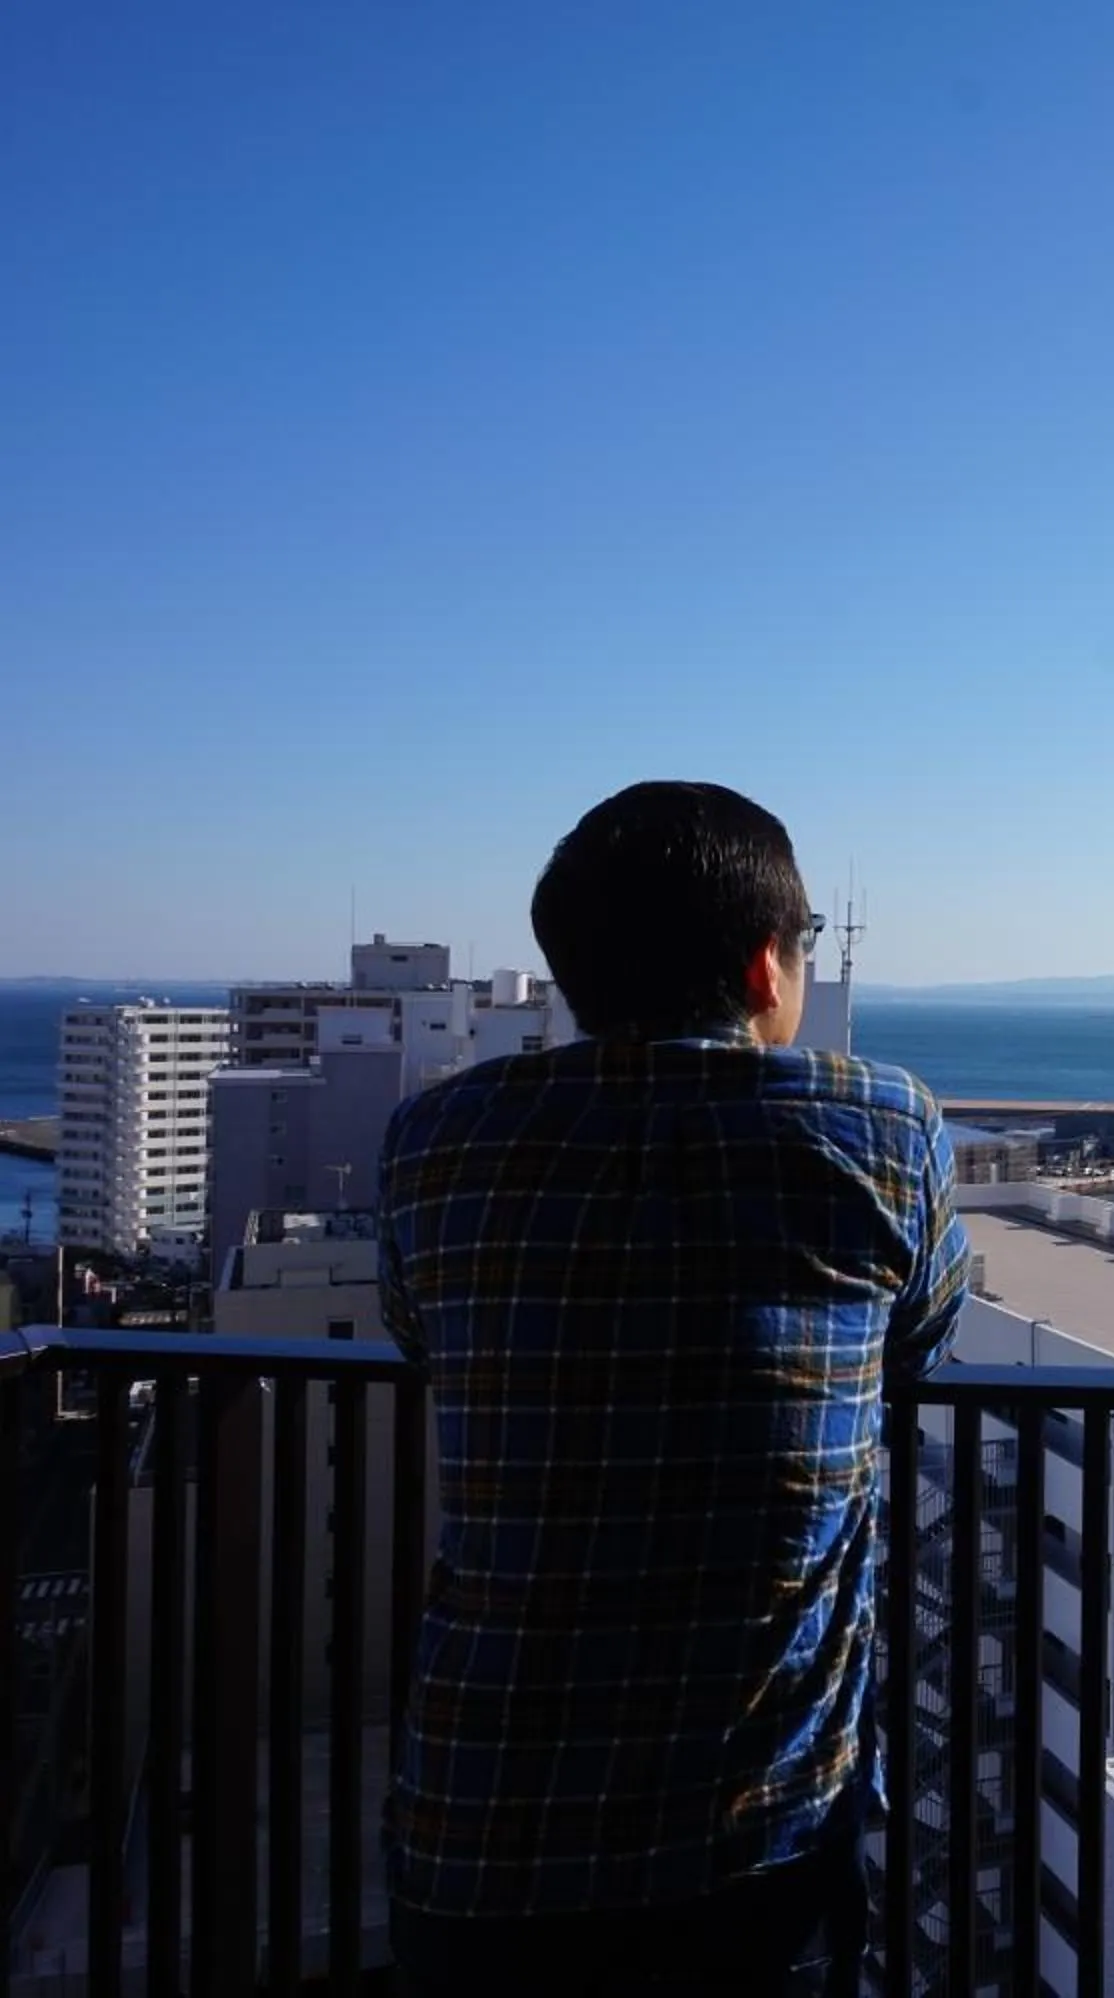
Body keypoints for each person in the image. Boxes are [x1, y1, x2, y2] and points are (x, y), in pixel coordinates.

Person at [378, 781, 966, 1996]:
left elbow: (414, 1330)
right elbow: (924, 1338)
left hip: (479, 1818)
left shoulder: (439, 1140)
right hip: (754, 1831)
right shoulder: (882, 1129)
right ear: (768, 965)